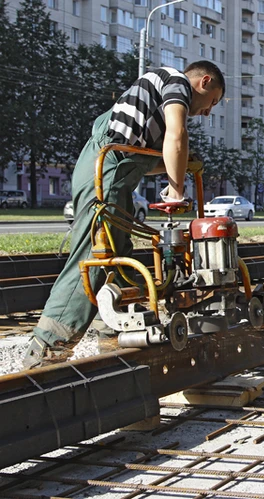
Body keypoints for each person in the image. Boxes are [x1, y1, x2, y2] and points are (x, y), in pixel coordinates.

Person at [22, 61, 225, 369]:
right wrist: (175, 189)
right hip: (106, 173)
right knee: (97, 257)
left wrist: (182, 165)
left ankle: (114, 339)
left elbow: (141, 158)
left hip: (115, 174)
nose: (208, 112)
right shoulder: (176, 83)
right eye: (212, 102)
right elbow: (177, 134)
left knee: (120, 262)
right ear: (204, 81)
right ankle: (47, 350)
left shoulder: (151, 104)